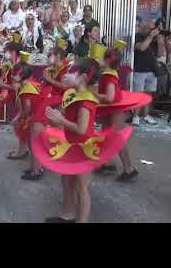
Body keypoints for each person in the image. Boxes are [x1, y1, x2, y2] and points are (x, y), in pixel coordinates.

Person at [35, 58, 134, 223]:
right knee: (66, 180)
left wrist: (61, 121)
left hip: (84, 147)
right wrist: (55, 118)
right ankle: (67, 215)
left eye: (72, 72)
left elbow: (82, 129)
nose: (66, 74)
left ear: (83, 77)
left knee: (82, 187)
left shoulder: (86, 100)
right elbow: (65, 114)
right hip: (71, 144)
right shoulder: (73, 93)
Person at [94, 43, 140, 181]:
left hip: (116, 109)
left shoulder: (108, 76)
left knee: (117, 137)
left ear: (107, 61)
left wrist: (94, 94)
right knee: (106, 134)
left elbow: (109, 97)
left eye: (101, 58)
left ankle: (129, 168)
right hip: (112, 109)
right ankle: (106, 162)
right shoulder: (109, 73)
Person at [132, 20, 166, 126]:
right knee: (138, 94)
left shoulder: (154, 39)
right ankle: (136, 116)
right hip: (139, 70)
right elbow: (142, 47)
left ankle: (146, 115)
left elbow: (160, 54)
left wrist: (160, 42)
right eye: (149, 29)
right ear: (143, 27)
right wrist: (150, 37)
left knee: (148, 94)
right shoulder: (136, 36)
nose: (151, 31)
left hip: (152, 70)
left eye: (152, 29)